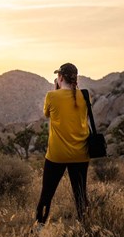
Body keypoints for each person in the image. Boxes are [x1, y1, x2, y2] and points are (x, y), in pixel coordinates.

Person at [35, 63, 90, 227]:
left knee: (47, 194)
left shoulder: (52, 96)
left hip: (56, 155)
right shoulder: (85, 96)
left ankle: (39, 229)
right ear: (75, 78)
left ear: (60, 78)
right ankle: (85, 228)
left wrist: (57, 90)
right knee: (80, 195)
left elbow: (47, 114)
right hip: (81, 153)